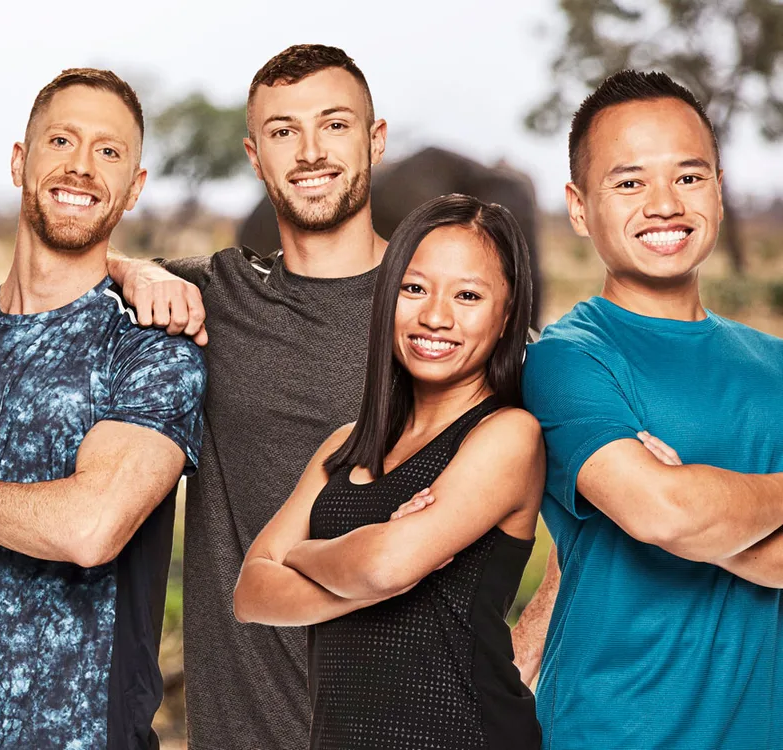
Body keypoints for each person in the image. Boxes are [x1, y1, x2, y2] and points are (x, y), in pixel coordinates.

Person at [109, 44, 548, 749]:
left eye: (335, 125)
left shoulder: (462, 334)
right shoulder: (208, 299)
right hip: (240, 732)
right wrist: (130, 268)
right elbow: (65, 276)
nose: (310, 152)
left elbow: (596, 518)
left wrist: (527, 650)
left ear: (376, 140)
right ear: (256, 156)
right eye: (285, 131)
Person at [0, 68, 206, 748]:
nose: (82, 166)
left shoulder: (151, 350)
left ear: (135, 187)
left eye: (109, 151)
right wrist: (49, 509)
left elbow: (91, 531)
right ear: (19, 161)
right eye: (61, 140)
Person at [522, 69, 783, 750]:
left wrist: (695, 510)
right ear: (579, 207)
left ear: (720, 192)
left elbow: (679, 518)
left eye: (689, 177)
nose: (664, 204)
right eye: (629, 182)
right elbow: (660, 511)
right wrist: (676, 512)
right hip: (608, 730)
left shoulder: (776, 364)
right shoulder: (568, 358)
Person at [233, 194, 543, 749]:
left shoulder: (506, 436)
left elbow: (386, 565)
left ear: (506, 316)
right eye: (414, 288)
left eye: (468, 295)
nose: (435, 316)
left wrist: (303, 556)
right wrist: (365, 568)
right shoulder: (345, 446)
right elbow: (251, 592)